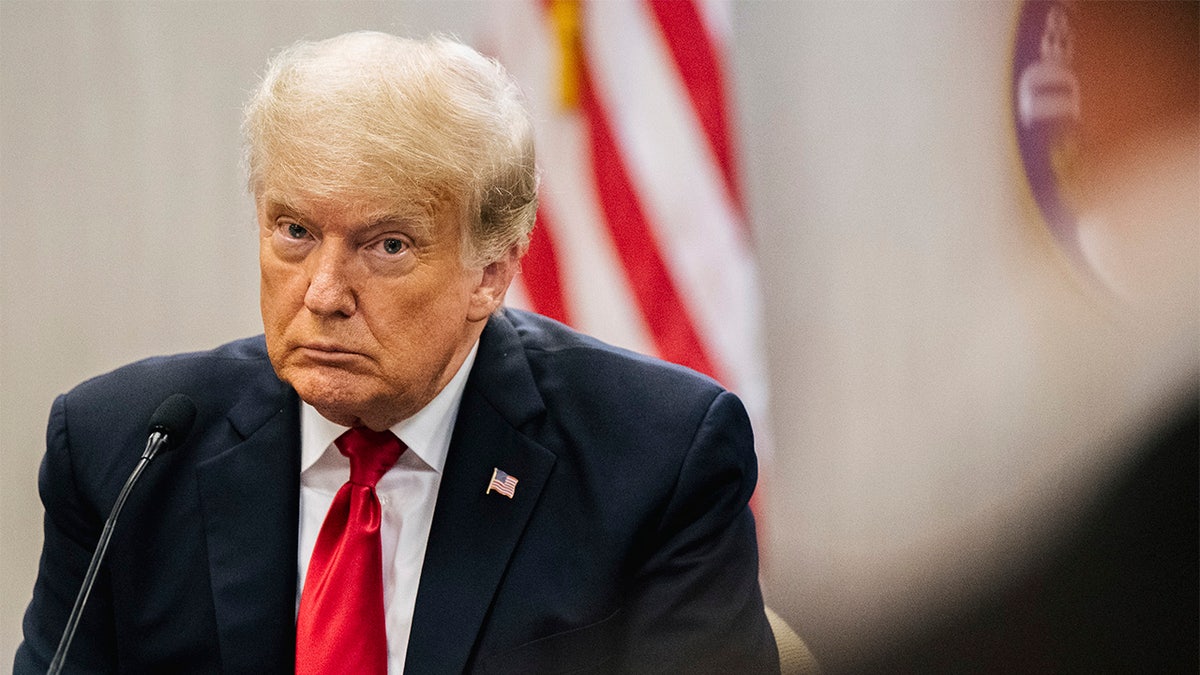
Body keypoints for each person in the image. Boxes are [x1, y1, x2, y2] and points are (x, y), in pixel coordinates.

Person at [14, 31, 777, 674]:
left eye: (387, 244)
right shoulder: (128, 453)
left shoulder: (658, 458)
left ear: (491, 272)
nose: (322, 292)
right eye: (295, 232)